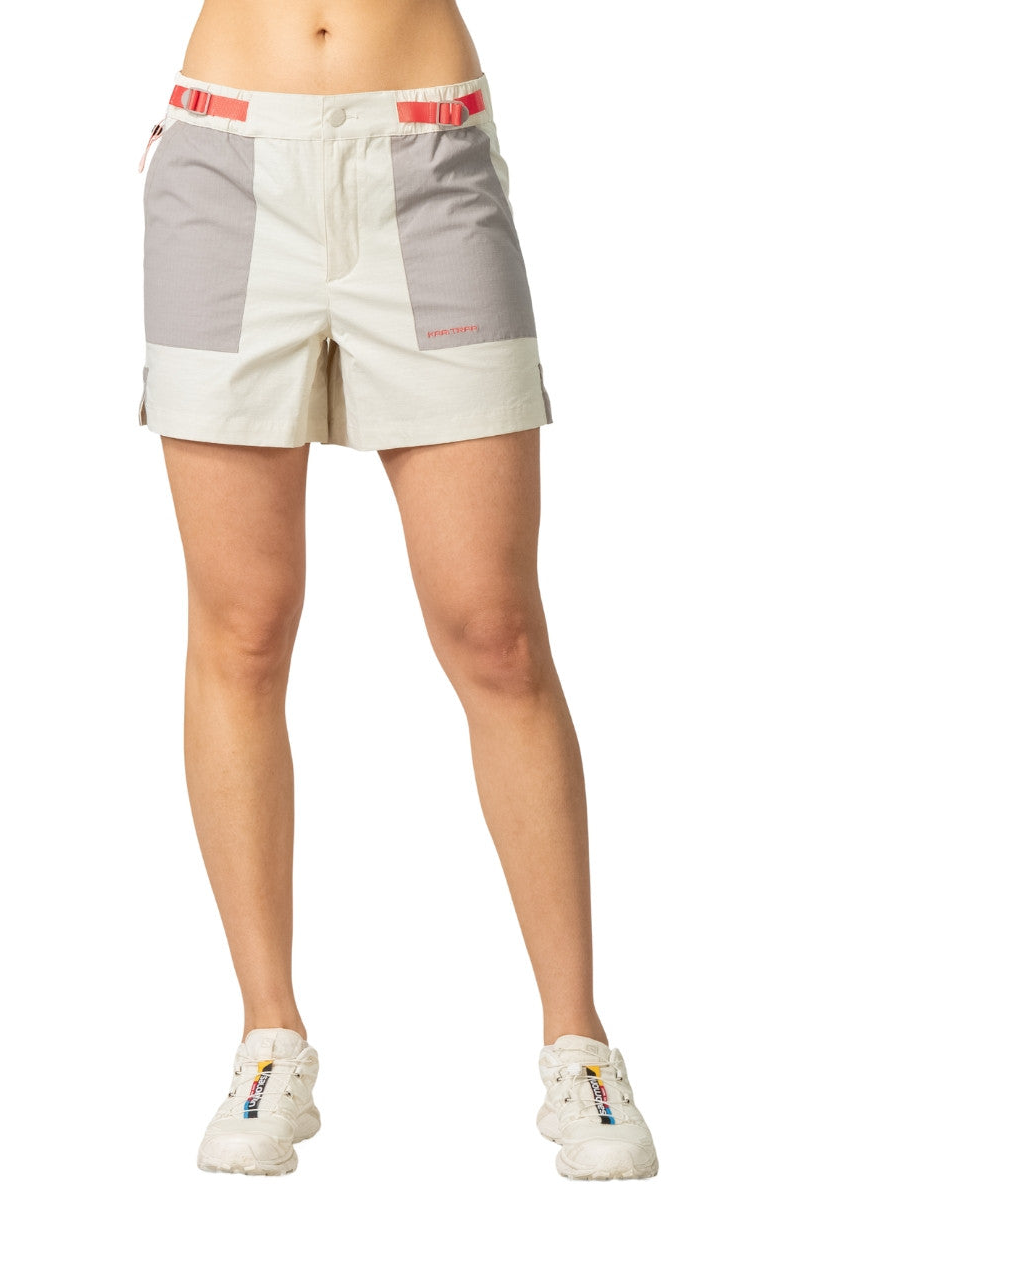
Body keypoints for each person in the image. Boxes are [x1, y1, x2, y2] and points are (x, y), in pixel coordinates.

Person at [138, 0, 658, 1181]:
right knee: (241, 625)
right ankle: (268, 1035)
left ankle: (578, 1043)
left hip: (425, 158)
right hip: (225, 160)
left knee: (494, 631)